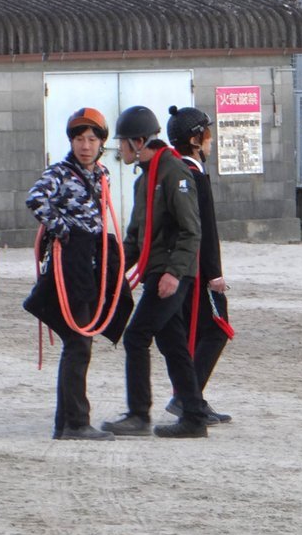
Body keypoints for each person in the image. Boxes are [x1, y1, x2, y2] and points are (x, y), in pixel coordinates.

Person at [100, 105, 208, 439]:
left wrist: (174, 274)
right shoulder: (145, 179)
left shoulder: (174, 172)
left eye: (123, 143)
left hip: (172, 273)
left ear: (139, 141)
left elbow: (192, 230)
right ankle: (193, 415)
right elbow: (136, 238)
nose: (120, 149)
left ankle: (138, 414)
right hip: (156, 272)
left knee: (136, 337)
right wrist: (115, 270)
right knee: (172, 343)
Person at [25, 108, 126, 441]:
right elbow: (36, 198)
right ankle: (76, 423)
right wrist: (62, 229)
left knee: (79, 341)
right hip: (69, 260)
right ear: (71, 141)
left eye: (92, 139)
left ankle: (64, 422)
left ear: (101, 143)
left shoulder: (102, 174)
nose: (86, 145)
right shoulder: (60, 172)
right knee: (78, 342)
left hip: (92, 260)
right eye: (80, 139)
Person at [163, 105, 233, 425]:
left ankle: (193, 397)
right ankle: (186, 397)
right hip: (196, 269)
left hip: (188, 267)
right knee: (216, 329)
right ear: (194, 139)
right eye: (205, 133)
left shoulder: (182, 170)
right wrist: (213, 273)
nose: (210, 140)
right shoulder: (191, 174)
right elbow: (203, 228)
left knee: (204, 331)